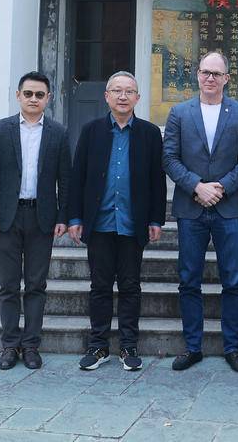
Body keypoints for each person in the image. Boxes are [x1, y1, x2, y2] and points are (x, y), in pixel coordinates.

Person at [162, 51, 238, 372]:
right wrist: (196, 186)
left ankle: (233, 347)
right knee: (189, 279)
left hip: (227, 208)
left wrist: (221, 187)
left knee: (233, 280)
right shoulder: (180, 113)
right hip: (190, 208)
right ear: (197, 74)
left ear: (226, 78)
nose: (210, 78)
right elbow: (169, 158)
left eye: (217, 73)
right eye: (205, 72)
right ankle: (193, 347)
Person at [67, 71, 166, 372]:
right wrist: (75, 217)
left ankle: (128, 346)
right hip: (99, 223)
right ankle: (98, 345)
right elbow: (77, 176)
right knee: (99, 286)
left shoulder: (149, 133)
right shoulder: (91, 131)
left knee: (130, 286)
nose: (123, 96)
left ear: (138, 97)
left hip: (132, 223)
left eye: (129, 91)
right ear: (106, 96)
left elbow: (157, 180)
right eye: (117, 91)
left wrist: (156, 219)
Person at [0, 71, 71, 370]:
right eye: (28, 94)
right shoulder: (0, 129)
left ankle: (31, 346)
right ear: (18, 96)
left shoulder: (58, 133)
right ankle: (9, 345)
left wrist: (63, 216)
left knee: (36, 285)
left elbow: (65, 180)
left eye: (39, 95)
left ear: (48, 98)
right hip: (8, 216)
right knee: (8, 285)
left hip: (42, 218)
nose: (33, 99)